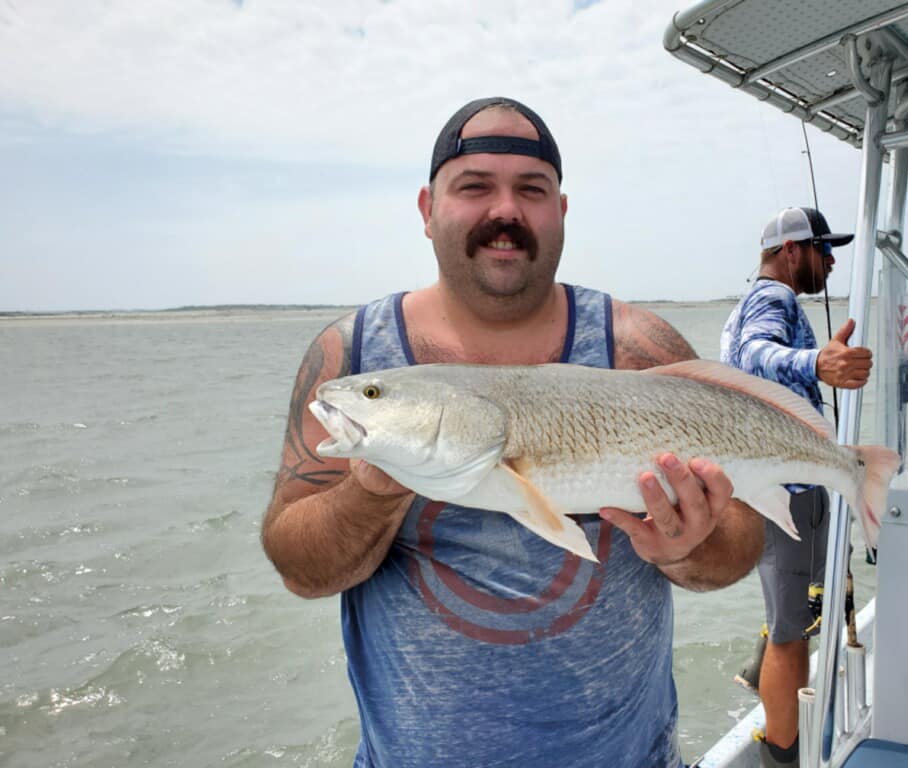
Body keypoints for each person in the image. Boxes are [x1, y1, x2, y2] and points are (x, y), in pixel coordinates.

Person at [261, 96, 764, 768]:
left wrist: (688, 547)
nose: (505, 211)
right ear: (426, 209)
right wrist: (373, 490)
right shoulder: (353, 359)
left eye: (532, 190)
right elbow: (300, 568)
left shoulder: (641, 348)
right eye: (474, 187)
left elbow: (741, 543)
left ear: (560, 210)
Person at [720, 207, 873, 768]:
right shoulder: (774, 300)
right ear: (791, 252)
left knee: (788, 612)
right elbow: (755, 357)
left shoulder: (745, 304)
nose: (831, 260)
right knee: (794, 633)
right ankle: (785, 758)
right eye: (822, 249)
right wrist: (816, 362)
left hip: (768, 483)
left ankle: (759, 675)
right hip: (793, 489)